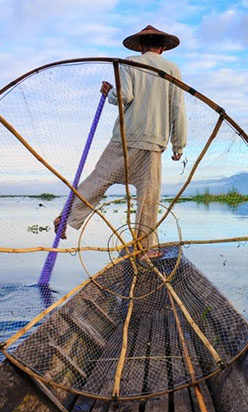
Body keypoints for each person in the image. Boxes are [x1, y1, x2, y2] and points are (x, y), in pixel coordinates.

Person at [55, 25, 187, 258]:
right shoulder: (172, 69)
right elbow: (178, 108)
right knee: (149, 194)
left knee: (99, 178)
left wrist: (111, 93)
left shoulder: (130, 63)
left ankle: (67, 216)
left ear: (142, 47)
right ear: (163, 48)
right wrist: (179, 145)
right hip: (154, 140)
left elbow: (123, 96)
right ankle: (145, 248)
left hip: (126, 136)